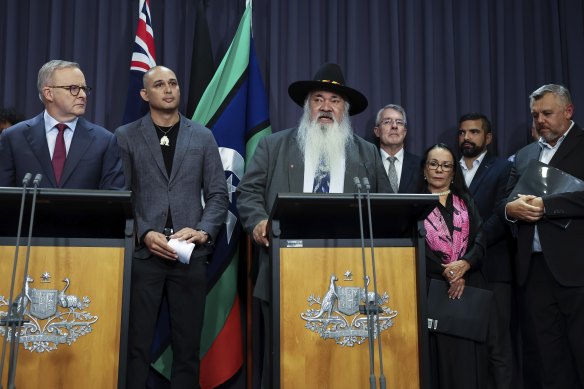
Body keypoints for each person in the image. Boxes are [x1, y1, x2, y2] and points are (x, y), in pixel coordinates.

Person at [236, 62, 390, 387]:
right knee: (283, 359)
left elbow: (386, 209)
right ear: (307, 106)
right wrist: (259, 221)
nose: (325, 107)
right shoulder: (273, 146)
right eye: (318, 98)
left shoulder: (367, 155)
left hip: (347, 270)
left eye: (334, 100)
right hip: (283, 265)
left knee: (342, 362)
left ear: (344, 109)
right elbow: (248, 193)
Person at [115, 65, 229, 388]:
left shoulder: (202, 136)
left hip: (189, 256)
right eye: (160, 84)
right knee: (135, 347)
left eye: (174, 84)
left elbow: (219, 195)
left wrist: (203, 231)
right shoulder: (126, 136)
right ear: (145, 94)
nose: (169, 89)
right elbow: (121, 195)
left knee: (188, 349)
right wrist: (144, 233)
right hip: (142, 257)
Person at [504, 84, 584, 388]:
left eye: (547, 113)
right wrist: (511, 210)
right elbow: (502, 203)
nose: (540, 121)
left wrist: (547, 205)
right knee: (544, 356)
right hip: (533, 268)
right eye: (535, 115)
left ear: (568, 111)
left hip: (576, 269)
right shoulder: (525, 155)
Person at [420, 143, 488, 389]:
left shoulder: (465, 201)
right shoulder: (414, 202)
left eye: (446, 165)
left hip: (467, 285)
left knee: (466, 359)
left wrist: (462, 267)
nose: (439, 169)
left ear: (453, 172)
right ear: (424, 170)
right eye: (434, 164)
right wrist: (445, 271)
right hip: (431, 287)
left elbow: (480, 239)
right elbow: (413, 244)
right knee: (436, 357)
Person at [0, 60, 124, 189]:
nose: (82, 95)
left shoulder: (104, 141)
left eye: (84, 89)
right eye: (73, 88)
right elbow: (4, 197)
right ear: (49, 93)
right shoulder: (13, 138)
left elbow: (113, 198)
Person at [458, 113, 515, 389]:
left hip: (492, 268)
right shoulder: (448, 167)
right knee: (463, 348)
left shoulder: (503, 168)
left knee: (498, 345)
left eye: (474, 132)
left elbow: (501, 214)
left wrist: (474, 248)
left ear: (488, 138)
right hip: (455, 273)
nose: (466, 138)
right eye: (462, 133)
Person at [373, 103, 421, 193]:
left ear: (405, 132)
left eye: (399, 122)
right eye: (387, 122)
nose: (394, 126)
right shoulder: (367, 164)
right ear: (377, 131)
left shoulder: (420, 165)